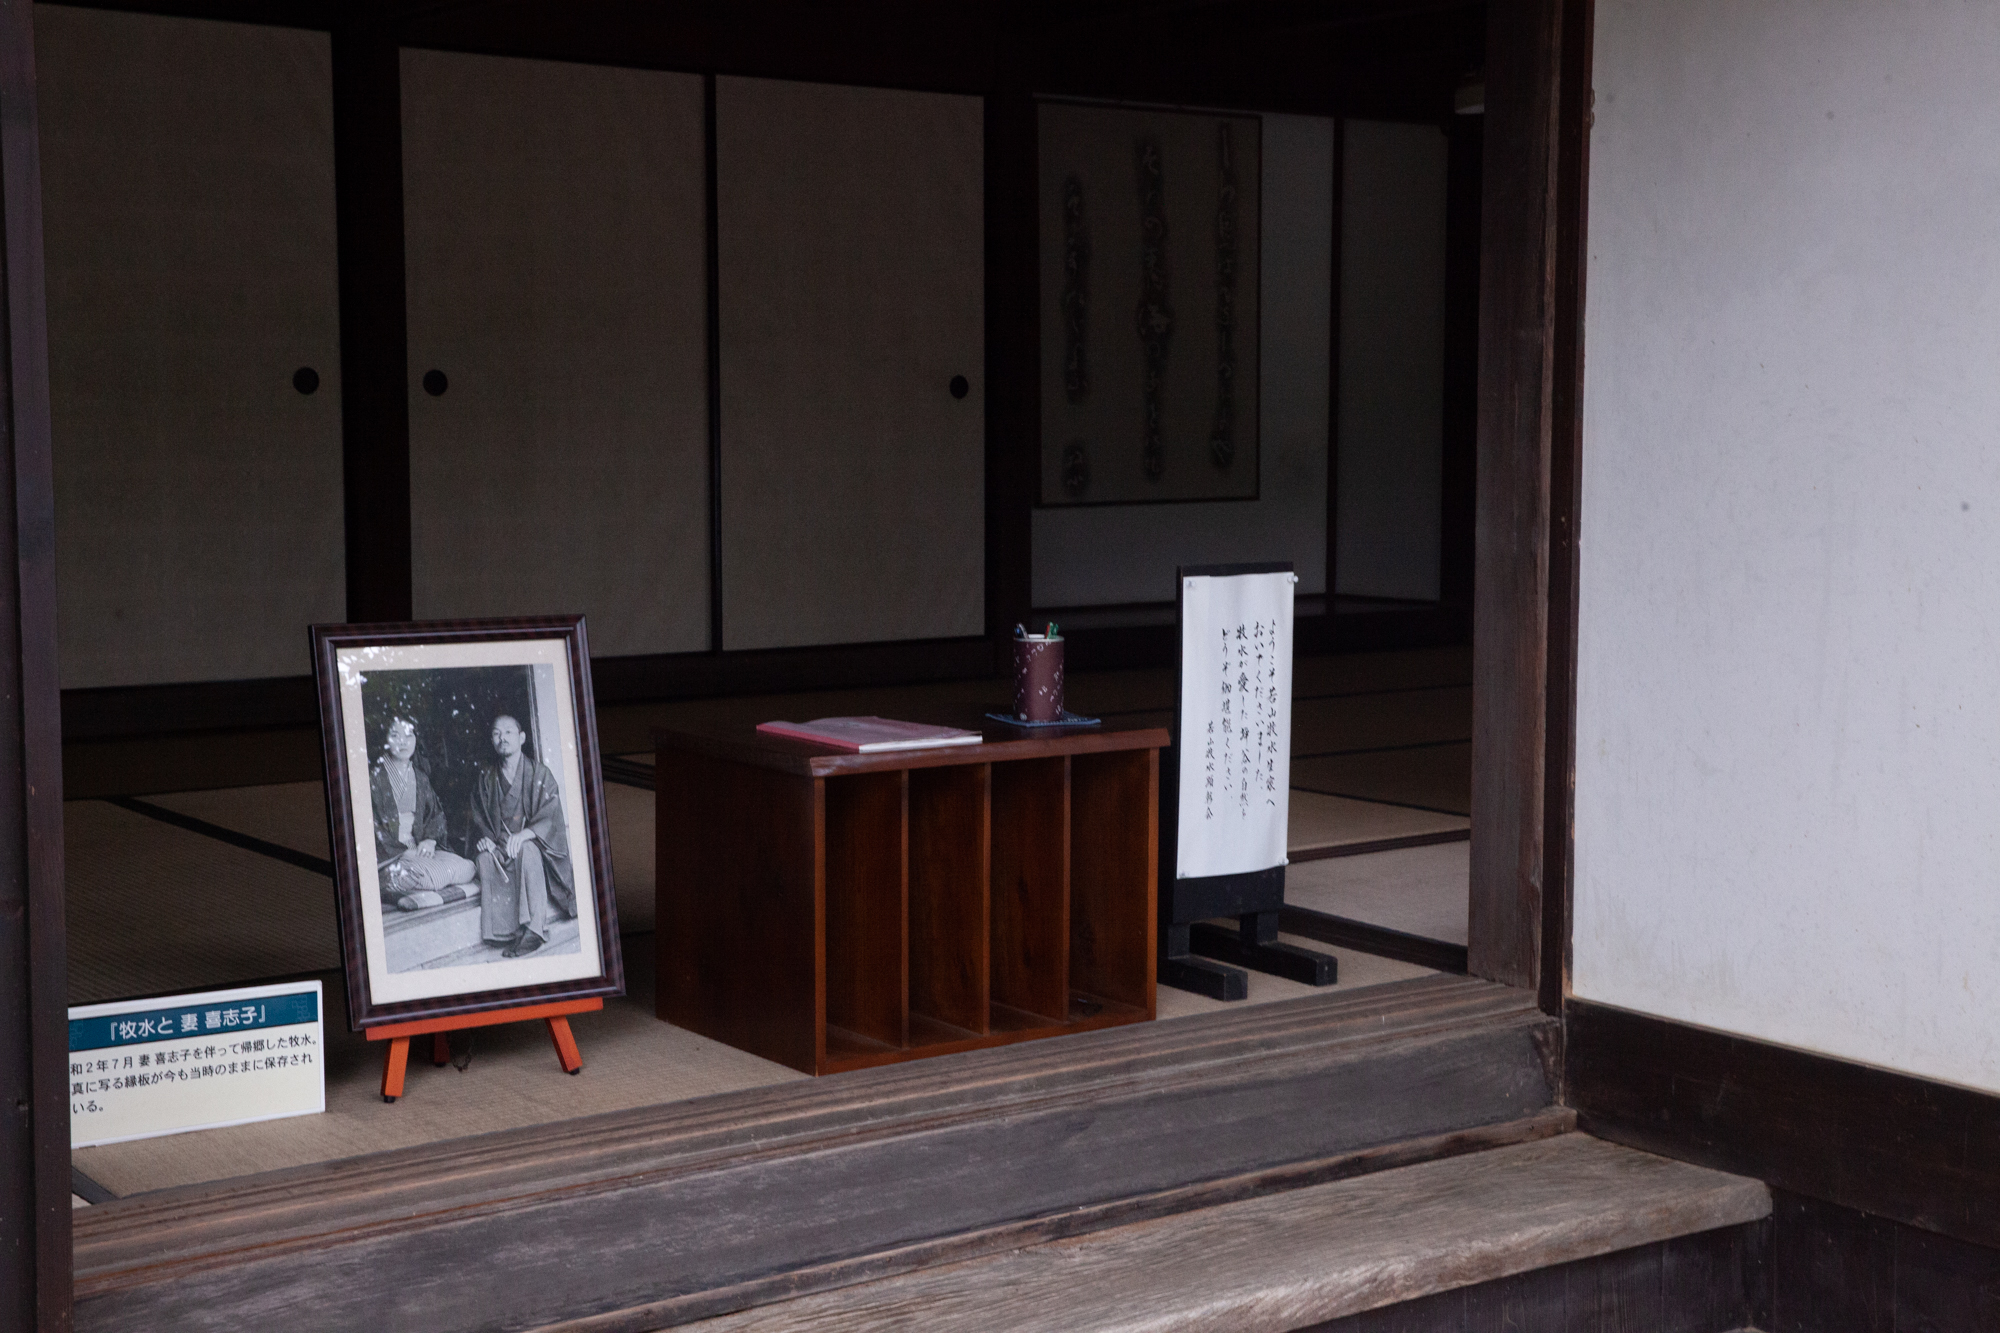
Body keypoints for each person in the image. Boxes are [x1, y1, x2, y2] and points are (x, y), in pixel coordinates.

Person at [470, 714, 576, 958]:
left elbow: (550, 816)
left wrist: (525, 835)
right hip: (500, 845)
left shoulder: (539, 774)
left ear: (522, 738)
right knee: (484, 859)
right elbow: (479, 818)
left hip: (532, 845)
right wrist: (486, 839)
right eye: (497, 733)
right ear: (492, 741)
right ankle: (504, 932)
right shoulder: (486, 779)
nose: (502, 738)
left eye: (508, 732)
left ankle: (534, 929)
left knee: (527, 850)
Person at [372, 716, 478, 907]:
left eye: (409, 735)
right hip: (390, 856)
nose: (403, 742)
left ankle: (421, 886)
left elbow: (435, 815)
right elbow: (370, 828)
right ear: (385, 740)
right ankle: (407, 884)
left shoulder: (420, 777)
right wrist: (402, 852)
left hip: (418, 849)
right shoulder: (373, 779)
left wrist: (429, 840)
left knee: (468, 867)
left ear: (416, 739)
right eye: (395, 735)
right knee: (428, 876)